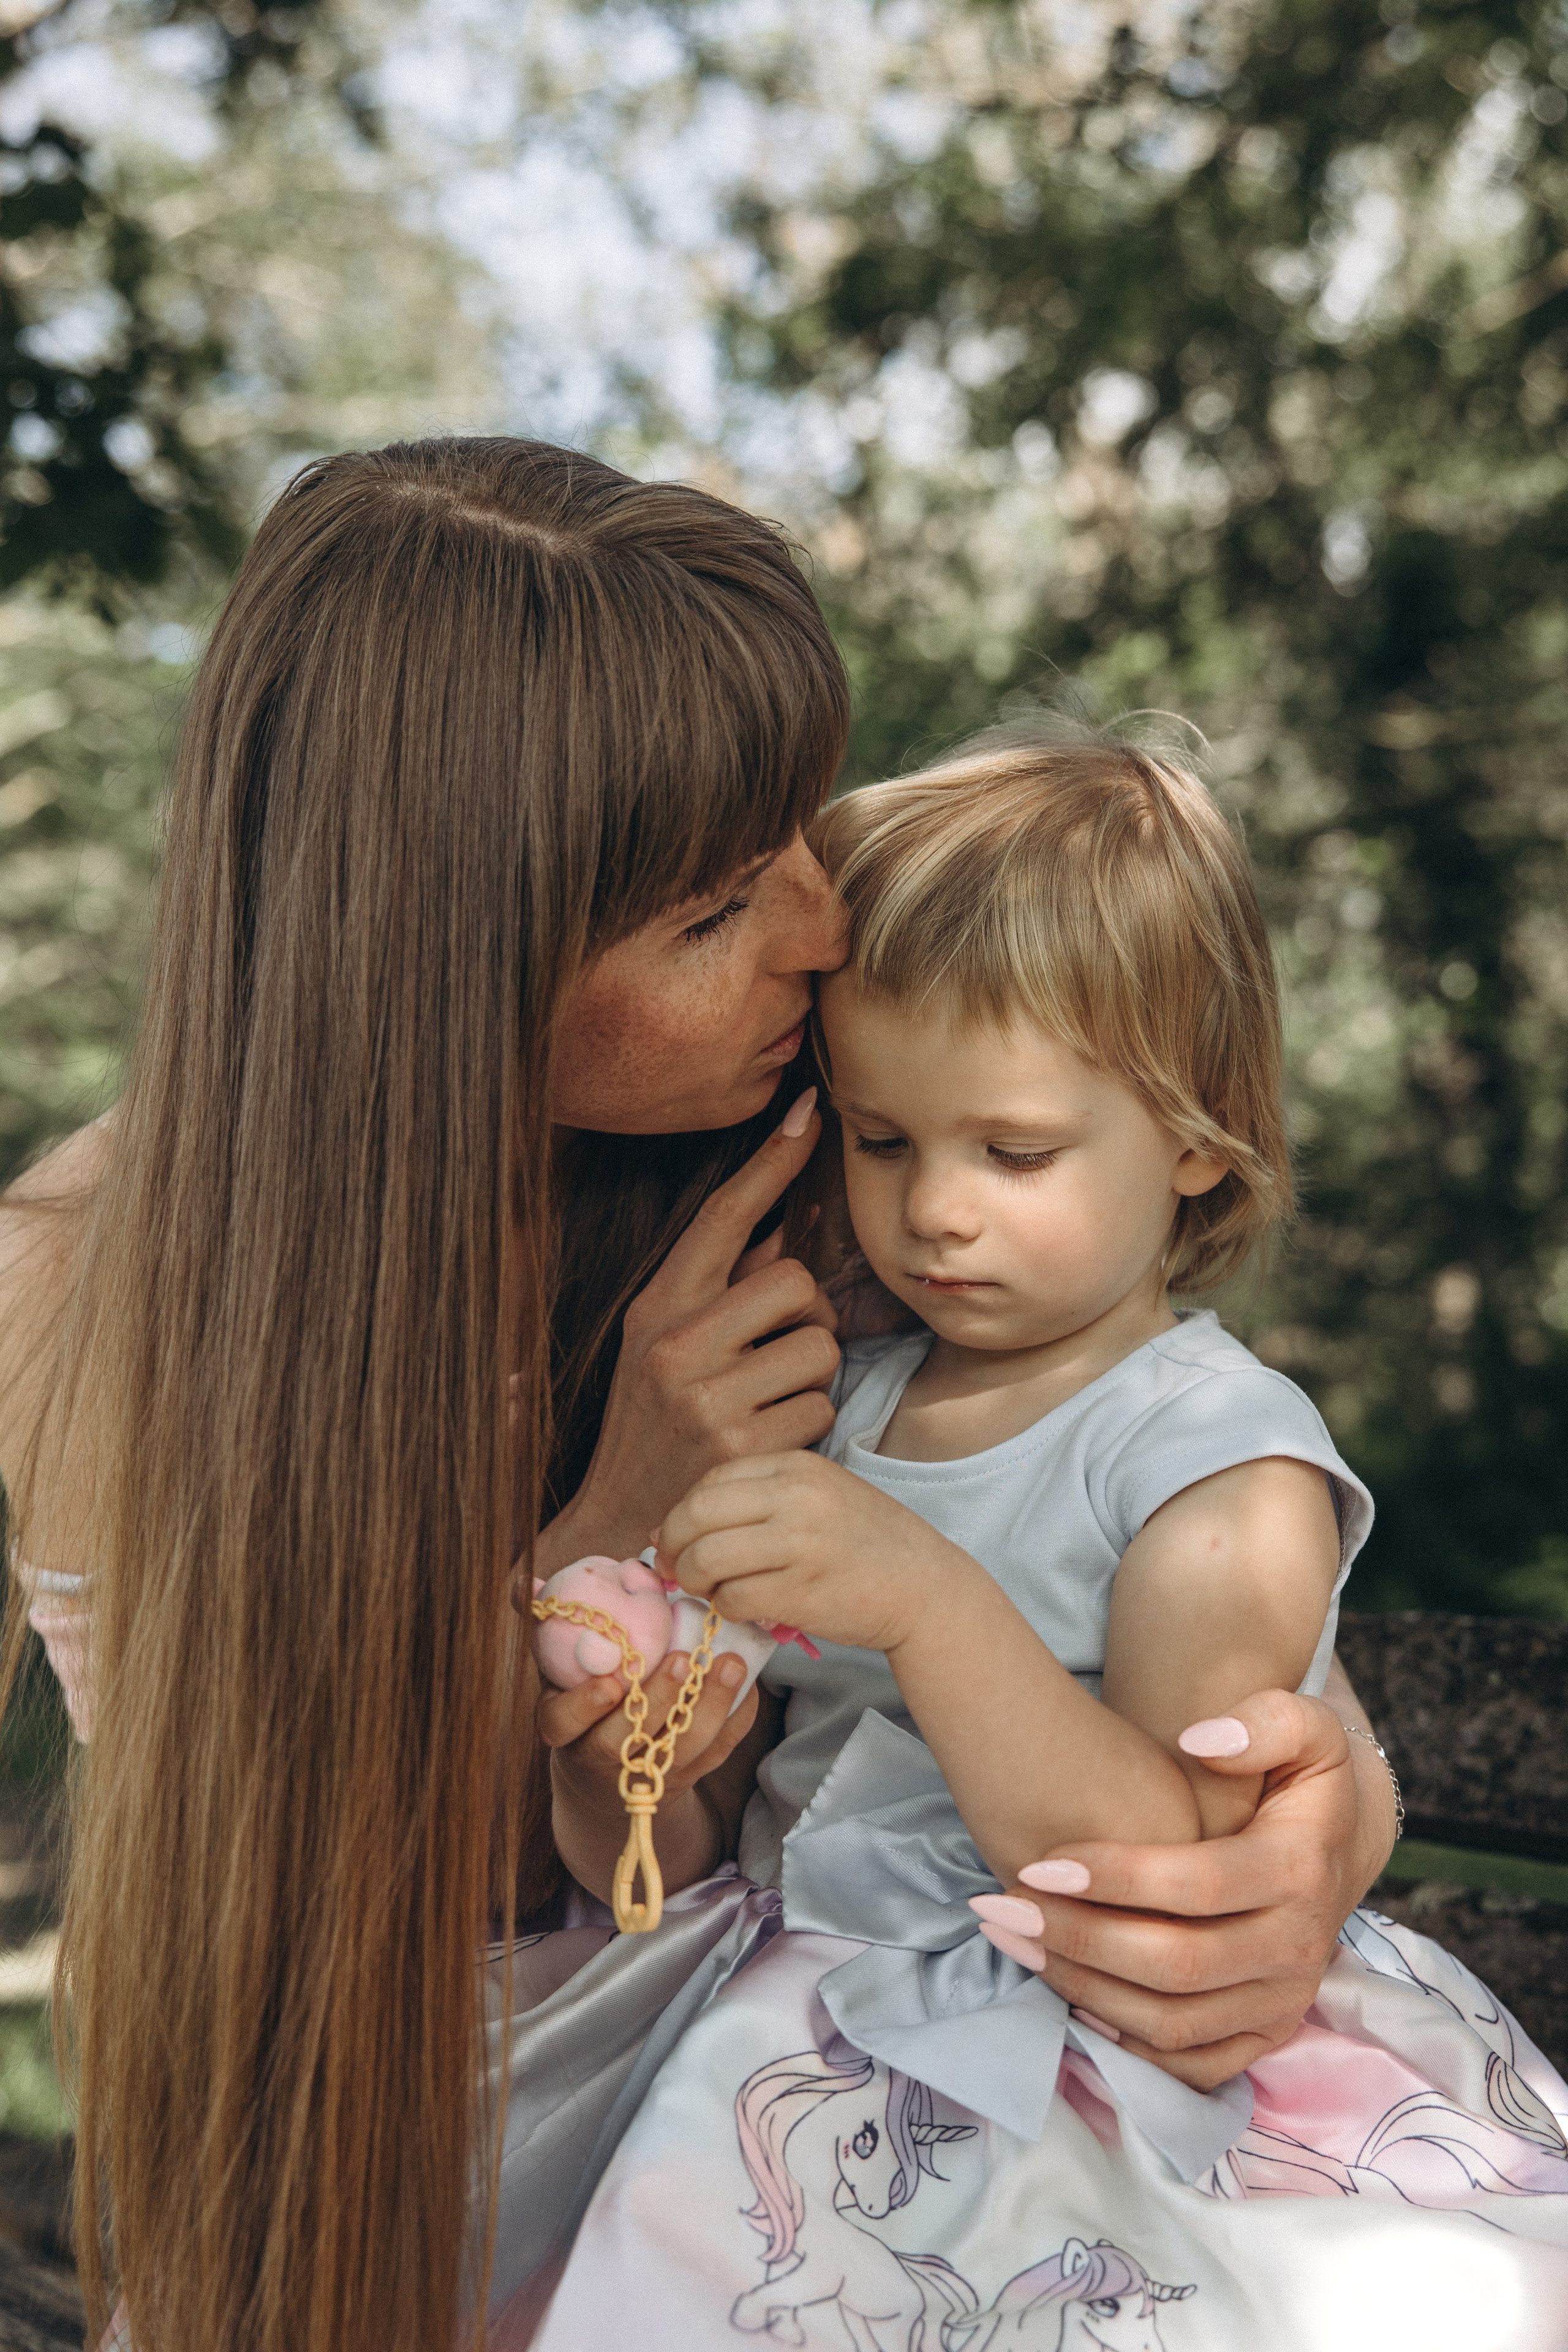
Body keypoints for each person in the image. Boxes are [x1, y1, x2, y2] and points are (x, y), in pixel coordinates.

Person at [0, 442, 1392, 2352]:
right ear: (451, 958)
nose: (824, 930)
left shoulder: (836, 1170)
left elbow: (1161, 1530)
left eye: (802, 831)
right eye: (715, 909)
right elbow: (288, 1890)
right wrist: (599, 1527)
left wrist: (1329, 1829)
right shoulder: (73, 1287)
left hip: (794, 2146)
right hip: (363, 2193)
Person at [525, 724, 1568, 2352]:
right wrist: (633, 1754)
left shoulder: (1215, 1460)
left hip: (1089, 2074)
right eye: (884, 1139)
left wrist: (932, 1605)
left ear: (1198, 1140)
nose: (936, 1206)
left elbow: (1175, 1853)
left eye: (1012, 1150)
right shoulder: (842, 1399)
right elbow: (716, 1833)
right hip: (784, 2043)